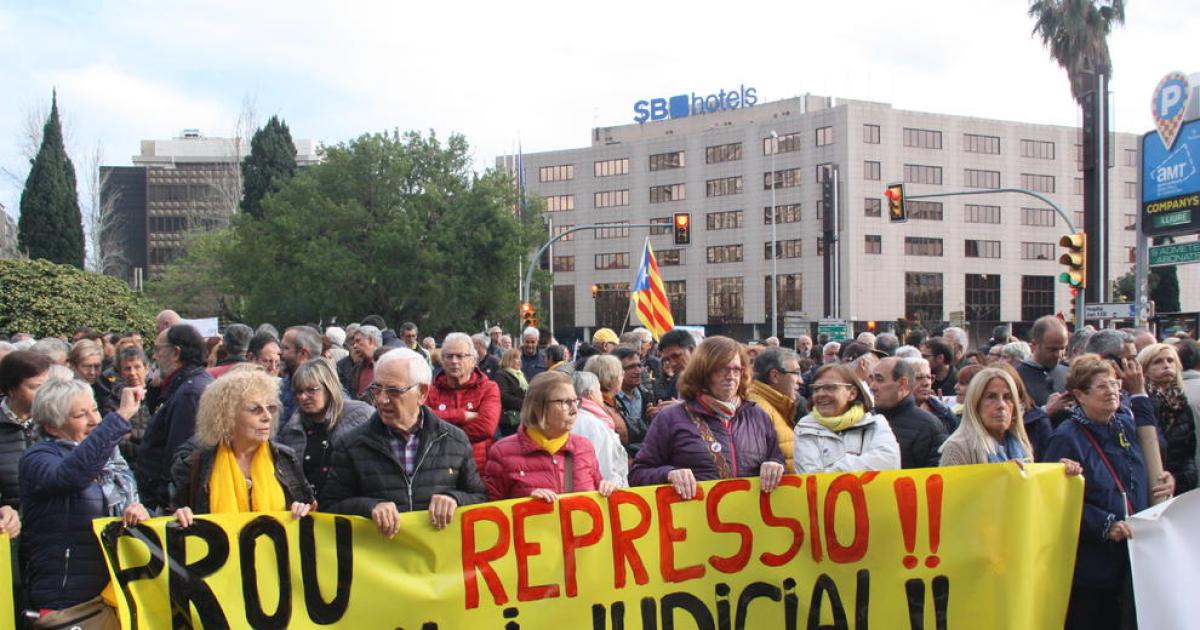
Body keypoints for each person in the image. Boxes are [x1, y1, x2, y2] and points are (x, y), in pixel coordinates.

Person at [1044, 354, 1174, 630]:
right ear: (1080, 394)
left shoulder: (1124, 425)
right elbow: (1056, 502)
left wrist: (1165, 481)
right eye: (1102, 386)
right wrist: (1105, 524)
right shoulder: (1066, 437)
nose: (1113, 391)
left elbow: (1145, 468)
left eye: (1115, 384)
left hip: (1133, 557)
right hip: (1092, 565)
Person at [322, 348, 487, 537]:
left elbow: (479, 498)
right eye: (377, 389)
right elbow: (330, 507)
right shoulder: (351, 444)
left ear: (422, 393)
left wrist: (455, 499)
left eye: (393, 391)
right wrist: (369, 507)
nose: (381, 400)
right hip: (381, 560)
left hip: (437, 562)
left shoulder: (454, 440)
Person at [20, 379, 148, 614]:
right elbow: (72, 475)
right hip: (67, 599)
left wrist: (138, 512)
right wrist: (119, 418)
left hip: (115, 591)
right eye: (81, 415)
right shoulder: (37, 458)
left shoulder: (110, 456)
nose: (95, 420)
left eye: (95, 409)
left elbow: (126, 503)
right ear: (52, 427)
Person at [629, 336, 786, 498]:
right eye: (722, 369)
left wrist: (776, 465)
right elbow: (637, 474)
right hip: (692, 519)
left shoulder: (757, 416)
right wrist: (668, 474)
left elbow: (778, 460)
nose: (731, 376)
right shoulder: (670, 419)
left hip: (749, 520)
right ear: (703, 372)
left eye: (736, 369)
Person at [171, 367, 315, 527]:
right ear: (227, 415)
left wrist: (302, 509)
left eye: (271, 408)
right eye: (255, 409)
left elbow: (309, 511)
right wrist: (180, 515)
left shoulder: (286, 458)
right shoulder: (194, 464)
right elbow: (172, 519)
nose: (267, 417)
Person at [483, 371, 617, 501]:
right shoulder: (502, 453)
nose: (575, 410)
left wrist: (606, 489)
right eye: (565, 402)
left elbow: (597, 490)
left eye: (575, 401)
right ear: (538, 406)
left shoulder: (584, 447)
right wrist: (524, 506)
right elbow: (488, 512)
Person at [137, 324, 213, 510]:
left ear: (175, 353)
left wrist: (166, 498)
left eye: (157, 350)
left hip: (171, 502)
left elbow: (179, 453)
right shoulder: (185, 386)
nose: (154, 357)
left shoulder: (190, 393)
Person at [277, 358, 374, 496]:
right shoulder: (292, 430)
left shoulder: (360, 415)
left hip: (352, 506)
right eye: (299, 392)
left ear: (329, 387)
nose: (303, 397)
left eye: (311, 390)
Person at [793, 364, 900, 473]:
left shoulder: (876, 424)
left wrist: (838, 469)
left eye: (830, 387)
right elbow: (811, 476)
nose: (820, 394)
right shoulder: (805, 428)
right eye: (816, 389)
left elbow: (889, 462)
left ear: (852, 393)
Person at [425, 333, 501, 472]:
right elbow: (423, 422)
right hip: (438, 469)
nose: (454, 361)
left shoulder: (488, 388)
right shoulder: (430, 391)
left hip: (477, 468)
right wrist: (461, 415)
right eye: (449, 356)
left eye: (460, 356)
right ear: (442, 360)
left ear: (473, 360)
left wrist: (441, 428)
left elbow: (486, 427)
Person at [939, 368, 1040, 466]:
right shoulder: (956, 448)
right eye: (991, 397)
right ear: (975, 403)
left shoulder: (1022, 445)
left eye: (1007, 397)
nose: (1001, 405)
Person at [1138, 343, 1197, 493]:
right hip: (1148, 486)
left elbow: (1187, 457)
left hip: (1175, 488)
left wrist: (1176, 480)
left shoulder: (1181, 404)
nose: (1166, 365)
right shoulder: (1139, 403)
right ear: (1144, 369)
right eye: (1157, 361)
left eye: (1170, 361)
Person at [869, 357, 947, 469]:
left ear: (902, 383)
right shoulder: (867, 419)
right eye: (872, 379)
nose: (872, 387)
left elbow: (935, 478)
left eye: (880, 379)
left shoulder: (928, 426)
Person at [0, 351, 52, 509]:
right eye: (36, 387)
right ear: (11, 389)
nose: (45, 393)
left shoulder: (55, 421)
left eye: (47, 386)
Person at [747, 348, 804, 472]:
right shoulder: (758, 409)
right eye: (796, 373)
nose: (801, 380)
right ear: (775, 376)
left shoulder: (775, 406)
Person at [571, 371, 629, 487]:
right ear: (590, 394)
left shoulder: (567, 419)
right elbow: (607, 470)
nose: (601, 396)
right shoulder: (597, 425)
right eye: (599, 390)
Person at [1016, 315, 1069, 408]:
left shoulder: (1068, 373)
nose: (1059, 355)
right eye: (1052, 349)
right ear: (1035, 345)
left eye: (1062, 348)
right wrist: (1046, 411)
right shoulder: (1016, 377)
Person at [112, 345, 153, 464]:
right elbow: (116, 438)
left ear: (146, 368)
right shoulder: (114, 400)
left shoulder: (156, 396)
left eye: (137, 367)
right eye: (127, 368)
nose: (132, 373)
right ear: (120, 372)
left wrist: (132, 436)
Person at [583, 354, 632, 449]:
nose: (623, 377)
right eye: (621, 374)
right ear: (613, 377)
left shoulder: (612, 401)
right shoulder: (598, 407)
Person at [69, 339, 112, 415]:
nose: (92, 372)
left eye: (97, 366)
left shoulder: (105, 387)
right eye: (87, 366)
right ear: (73, 366)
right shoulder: (65, 393)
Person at [494, 349, 527, 438]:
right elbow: (503, 396)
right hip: (509, 420)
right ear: (509, 360)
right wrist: (524, 404)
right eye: (516, 358)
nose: (519, 361)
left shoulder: (519, 374)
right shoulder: (501, 375)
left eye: (520, 358)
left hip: (521, 417)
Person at [348, 325, 382, 402]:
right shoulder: (355, 370)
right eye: (354, 342)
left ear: (370, 340)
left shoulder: (388, 367)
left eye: (358, 341)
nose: (354, 346)